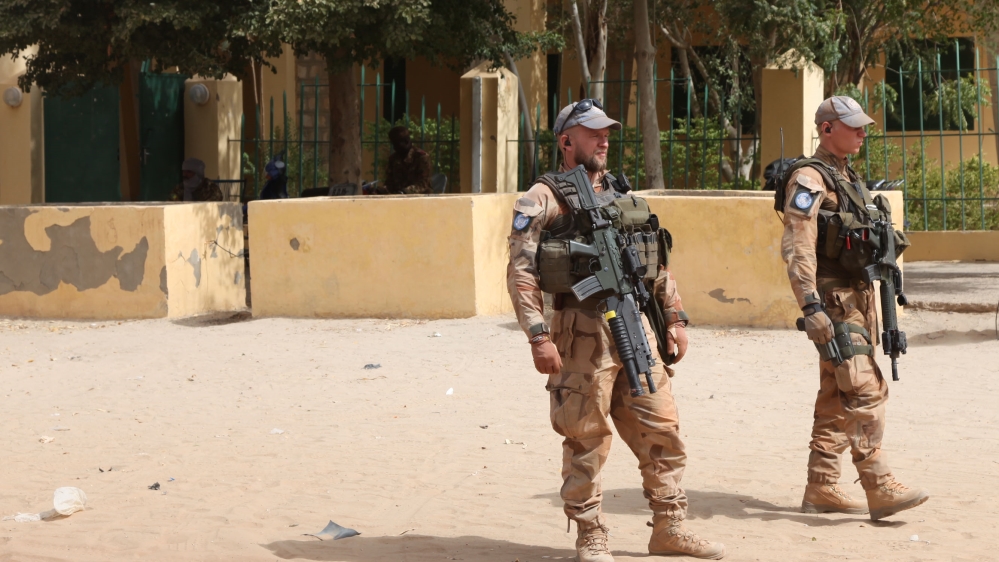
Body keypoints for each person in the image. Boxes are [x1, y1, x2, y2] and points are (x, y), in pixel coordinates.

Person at [506, 100, 725, 561]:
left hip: (635, 324)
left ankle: (669, 526)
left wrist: (674, 317)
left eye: (607, 132)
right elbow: (521, 272)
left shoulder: (622, 195)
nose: (604, 139)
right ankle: (590, 534)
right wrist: (537, 335)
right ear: (566, 141)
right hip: (579, 332)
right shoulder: (541, 198)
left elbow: (654, 261)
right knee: (586, 434)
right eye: (592, 133)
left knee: (662, 425)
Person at [779, 96, 928, 521]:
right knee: (864, 388)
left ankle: (822, 486)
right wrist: (809, 304)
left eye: (864, 126)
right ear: (827, 129)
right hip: (833, 300)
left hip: (857, 296)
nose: (863, 132)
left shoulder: (848, 177)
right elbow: (797, 243)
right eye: (854, 126)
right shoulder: (809, 178)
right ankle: (879, 485)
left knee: (835, 392)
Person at [383, 126, 433, 194]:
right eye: (393, 144)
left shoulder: (421, 157)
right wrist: (383, 190)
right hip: (398, 198)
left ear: (406, 141)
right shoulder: (394, 158)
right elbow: (390, 182)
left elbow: (423, 184)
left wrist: (405, 191)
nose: (394, 147)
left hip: (420, 198)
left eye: (397, 144)